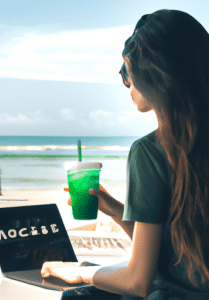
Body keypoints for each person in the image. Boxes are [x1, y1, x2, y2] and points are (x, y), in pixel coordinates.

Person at [41, 10, 209, 299]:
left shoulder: (150, 151)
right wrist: (115, 209)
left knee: (77, 292)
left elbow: (137, 281)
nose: (127, 84)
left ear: (153, 72)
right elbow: (174, 252)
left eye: (126, 72)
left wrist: (80, 271)